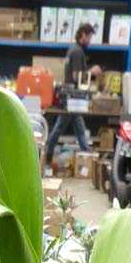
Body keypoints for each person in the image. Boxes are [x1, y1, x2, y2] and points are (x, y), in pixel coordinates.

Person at [44, 23, 103, 168]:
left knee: (78, 127)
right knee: (62, 127)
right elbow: (77, 77)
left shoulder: (73, 49)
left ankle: (85, 156)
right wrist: (92, 72)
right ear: (83, 35)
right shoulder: (77, 52)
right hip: (72, 97)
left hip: (71, 96)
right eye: (89, 37)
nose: (90, 41)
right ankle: (47, 154)